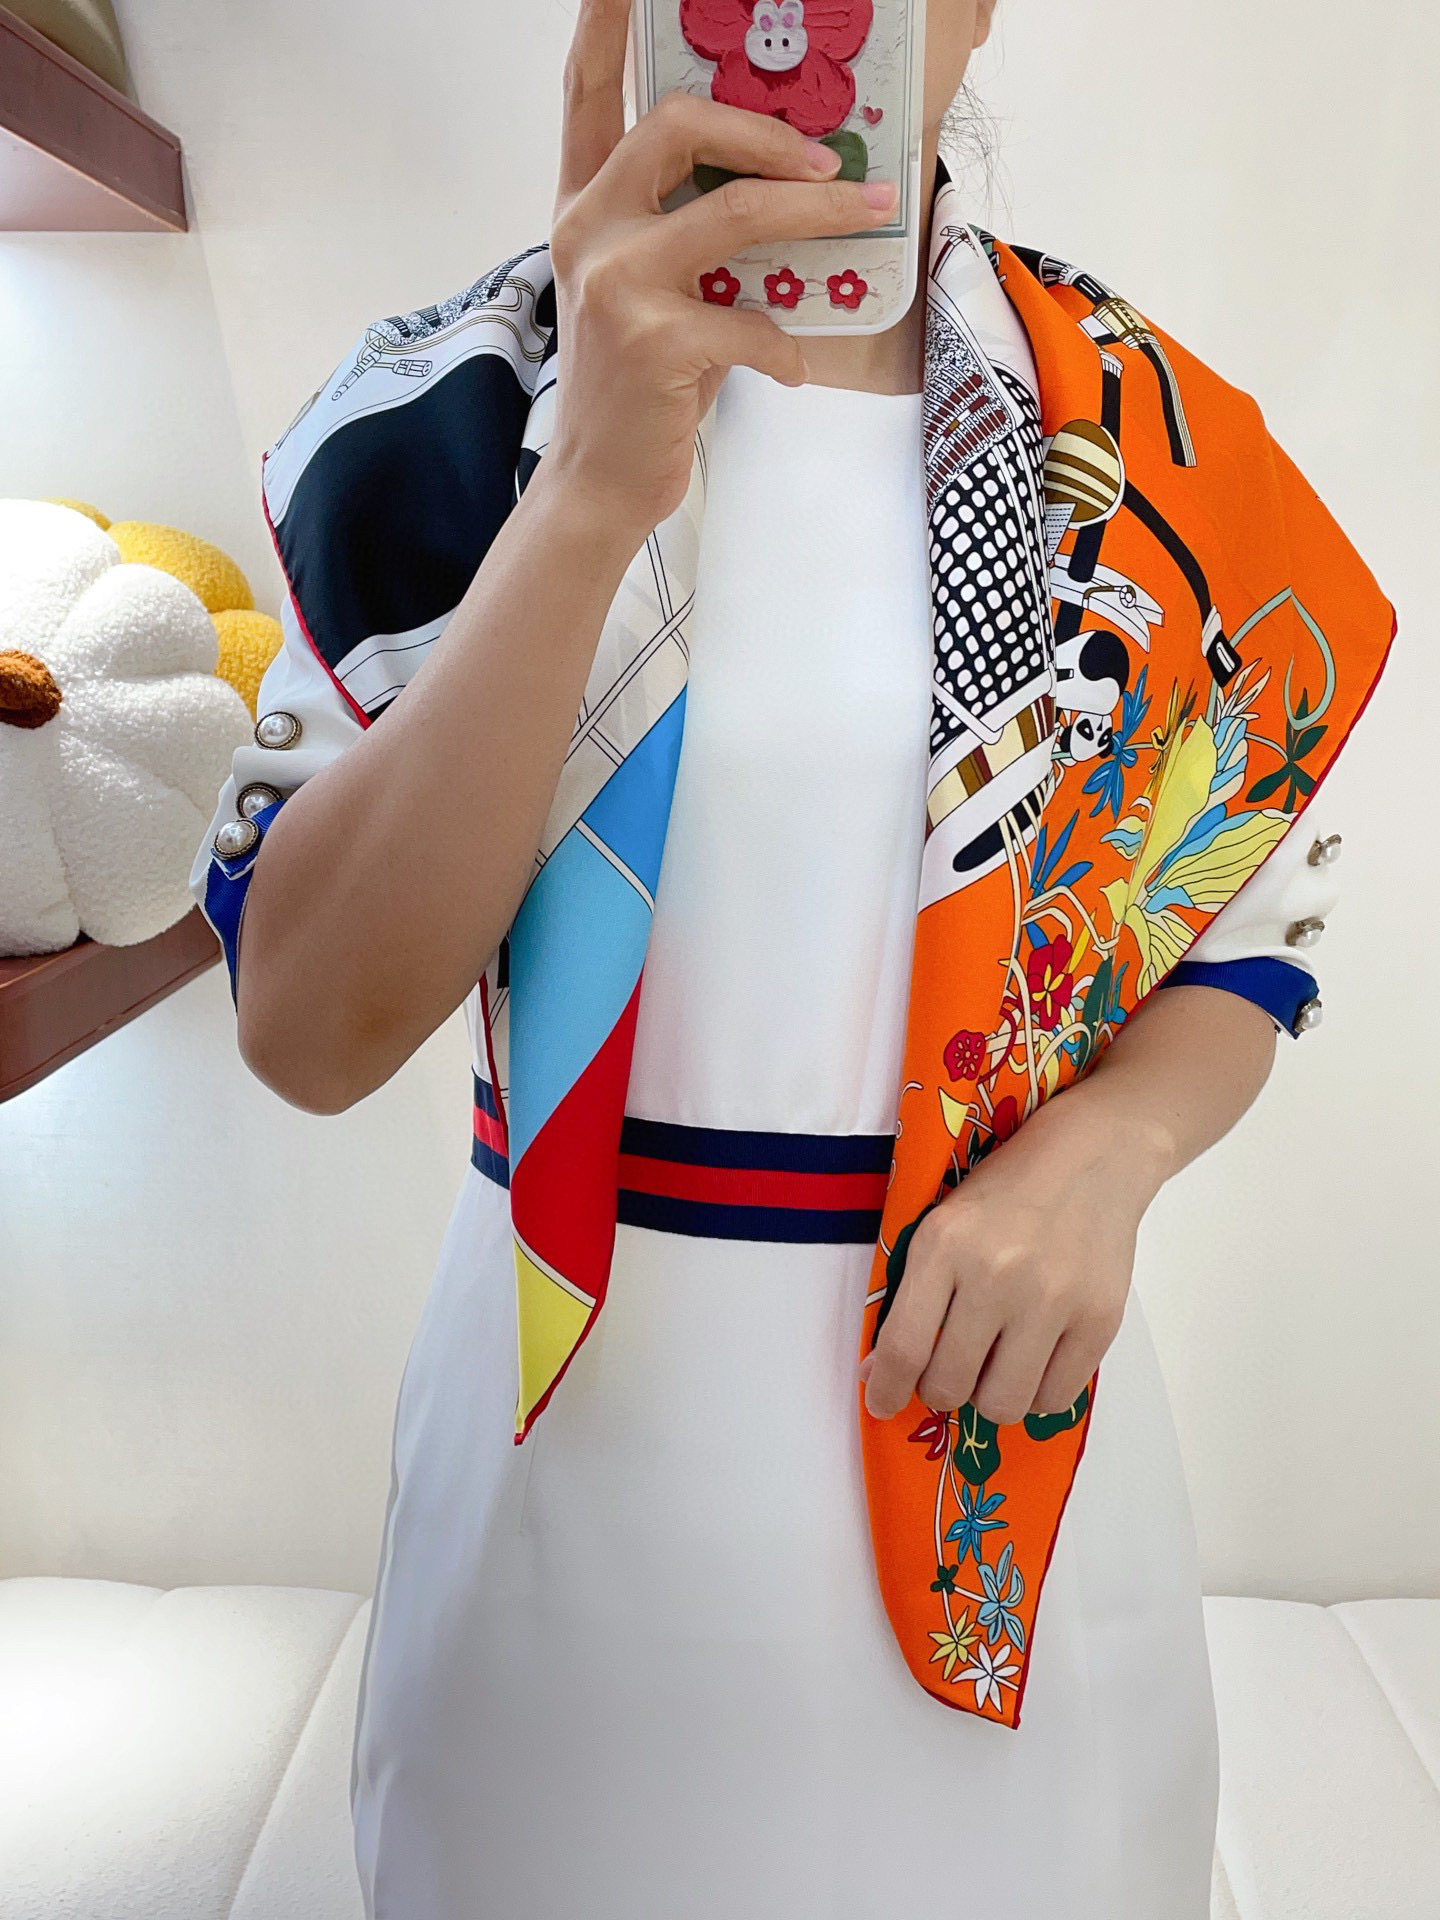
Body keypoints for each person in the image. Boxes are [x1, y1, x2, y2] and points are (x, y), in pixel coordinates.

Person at [194, 0, 1388, 1912]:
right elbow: (310, 1028)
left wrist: (1109, 1155)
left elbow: (1245, 916)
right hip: (569, 1487)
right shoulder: (451, 416)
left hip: (998, 1454)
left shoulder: (1144, 448)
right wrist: (587, 488)